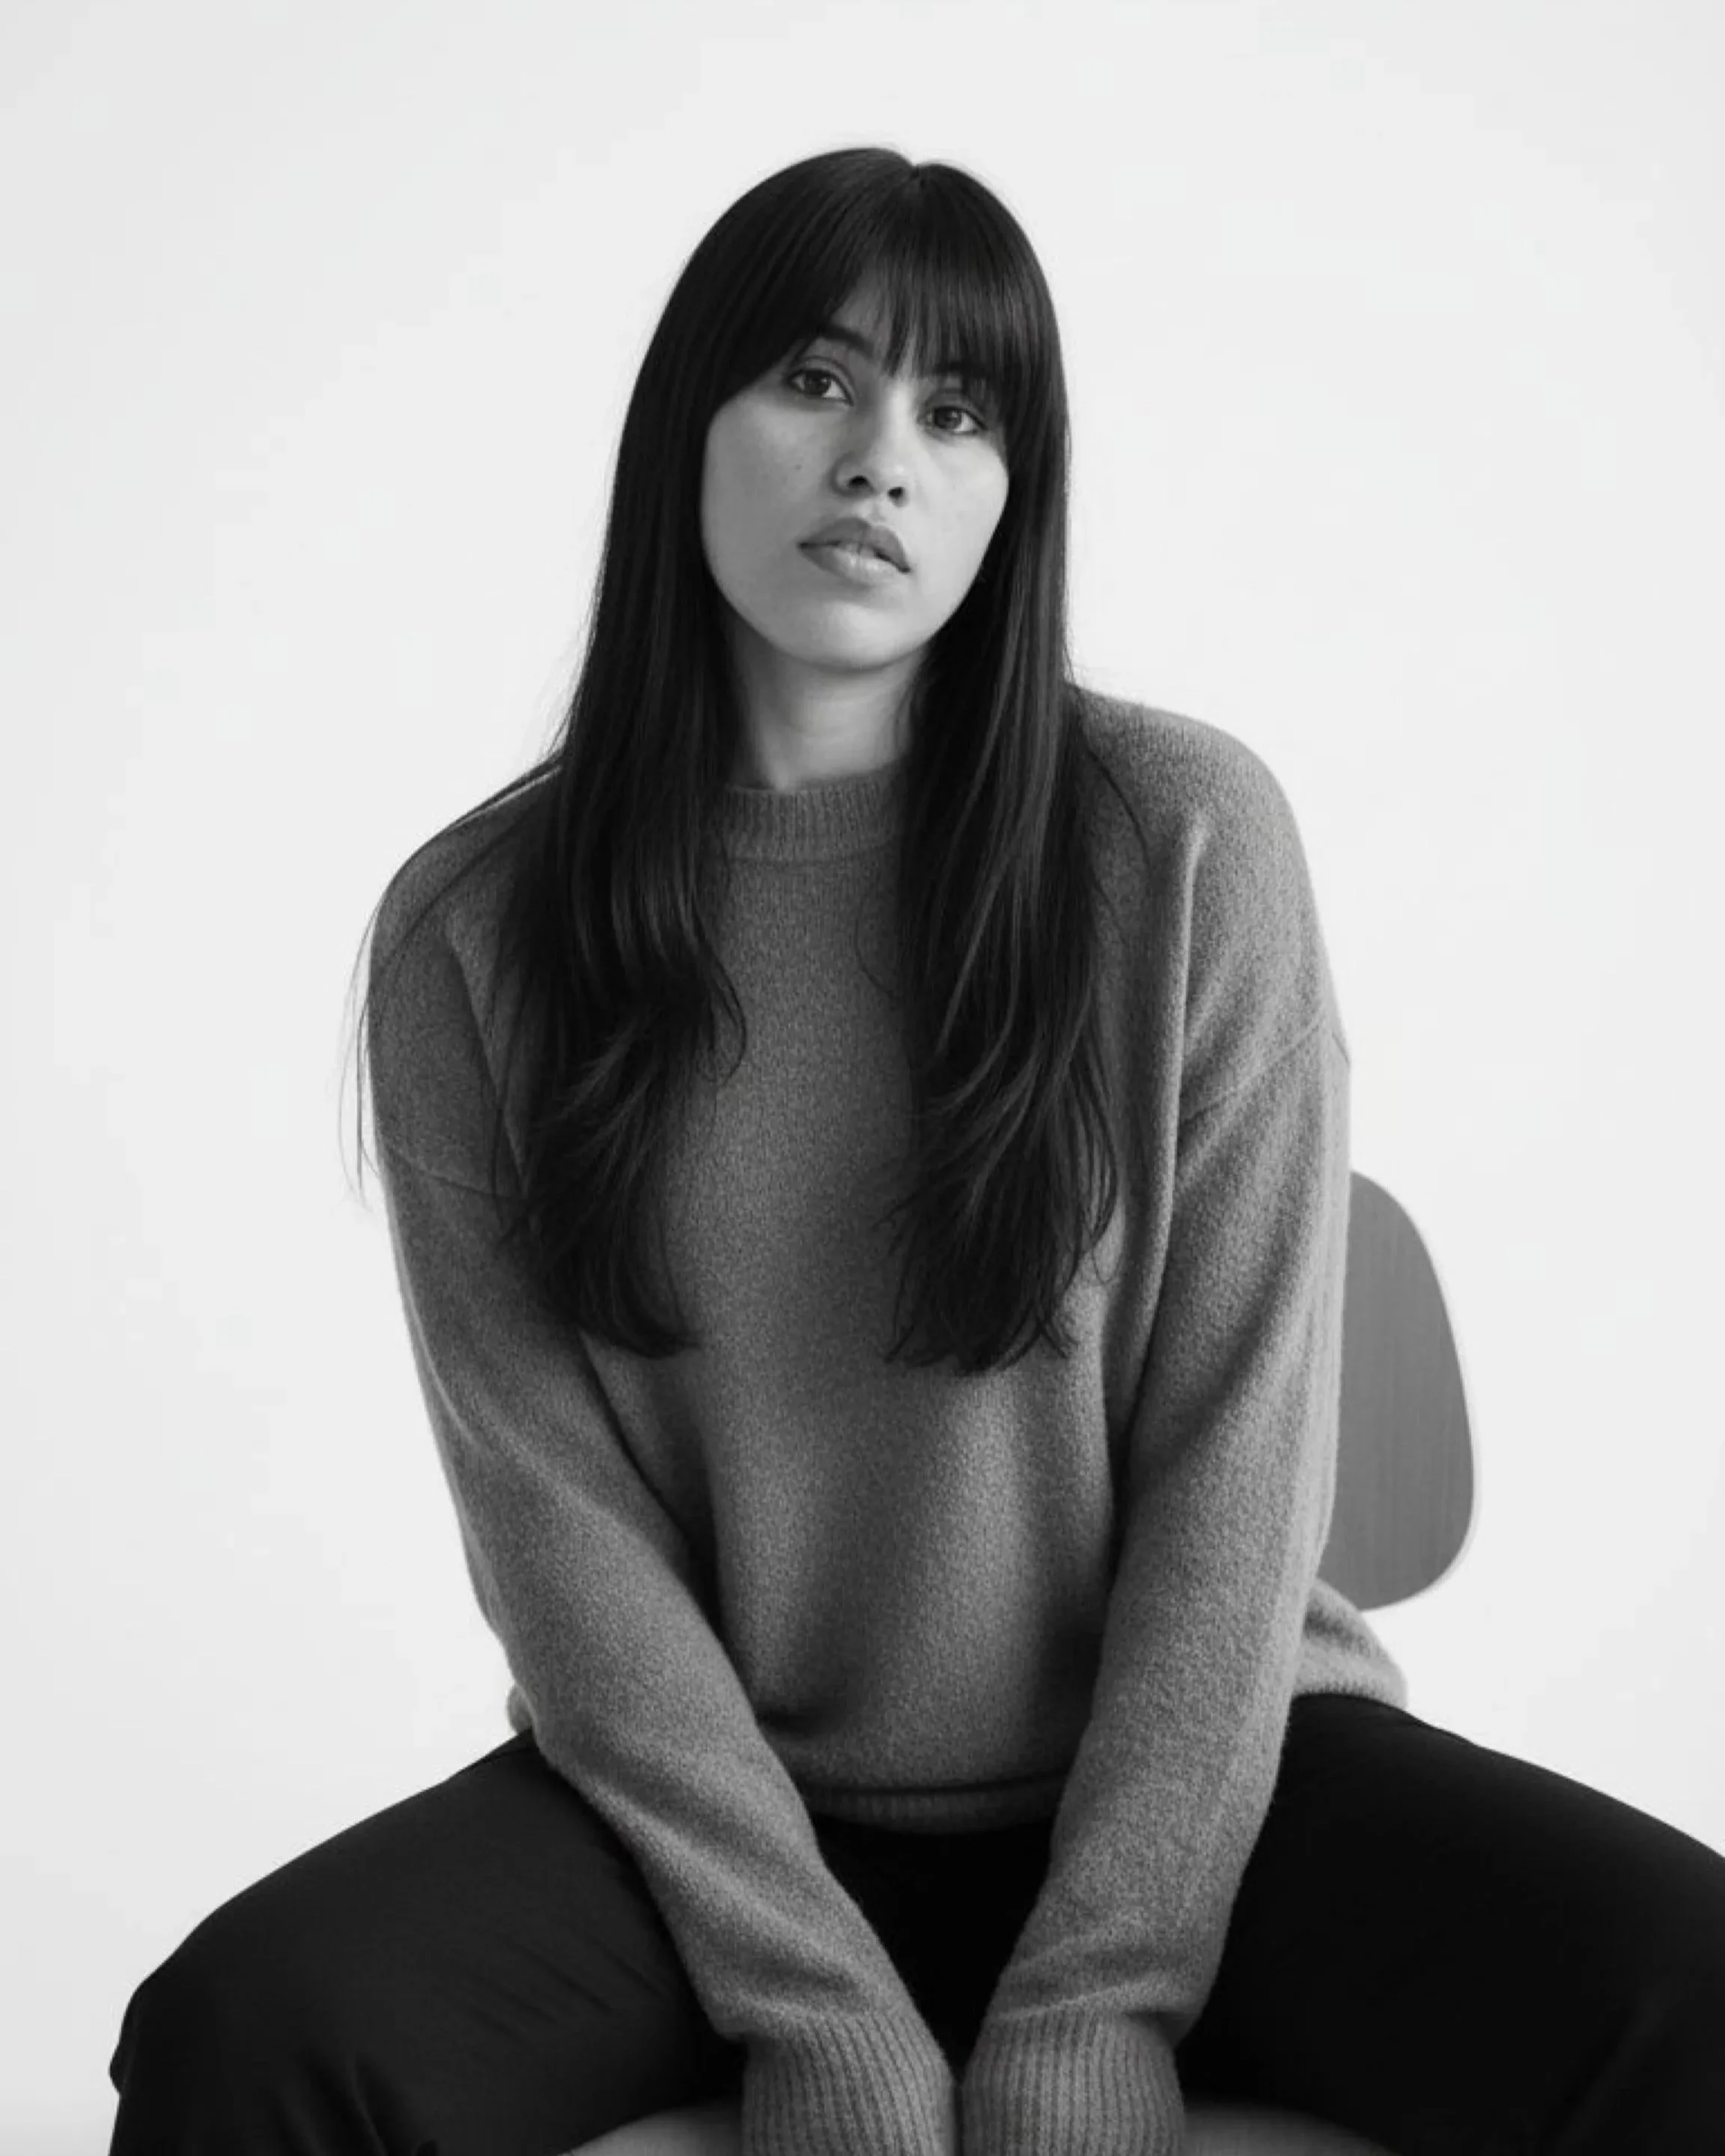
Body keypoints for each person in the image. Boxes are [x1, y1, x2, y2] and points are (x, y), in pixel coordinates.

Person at [106, 144, 1725, 2156]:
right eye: (813, 379)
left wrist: (1101, 1995)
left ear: (1008, 503)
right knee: (247, 2034)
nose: (881, 454)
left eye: (957, 413)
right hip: (714, 1823)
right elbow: (557, 1540)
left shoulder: (1183, 841)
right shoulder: (476, 934)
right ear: (680, 429)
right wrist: (818, 2011)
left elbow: (1241, 1459)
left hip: (1206, 1795)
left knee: (1692, 1987)